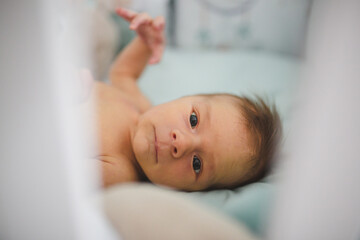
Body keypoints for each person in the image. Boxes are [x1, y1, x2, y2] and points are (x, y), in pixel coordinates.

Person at [84, 8, 281, 191]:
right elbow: (123, 74)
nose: (183, 144)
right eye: (193, 120)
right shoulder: (139, 105)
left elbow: (59, 167)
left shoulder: (119, 173)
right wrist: (146, 42)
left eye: (197, 164)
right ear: (183, 98)